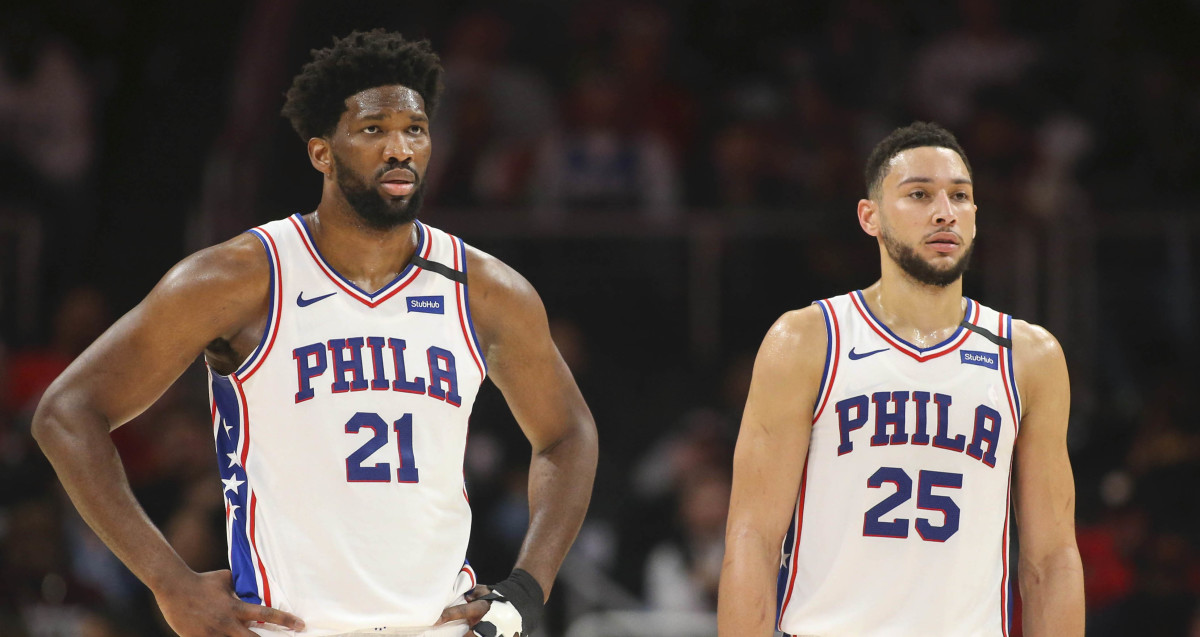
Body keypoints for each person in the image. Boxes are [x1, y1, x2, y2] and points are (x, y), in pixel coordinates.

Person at [32, 30, 598, 637]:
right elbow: (67, 413)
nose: (400, 149)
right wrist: (168, 579)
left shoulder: (484, 289)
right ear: (322, 153)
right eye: (374, 130)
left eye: (415, 128)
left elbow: (567, 432)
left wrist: (526, 588)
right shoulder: (240, 277)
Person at [717, 122, 1084, 636]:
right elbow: (752, 536)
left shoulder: (1028, 356)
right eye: (919, 194)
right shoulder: (807, 341)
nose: (944, 212)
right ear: (870, 217)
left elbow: (1051, 559)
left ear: (976, 216)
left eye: (960, 196)